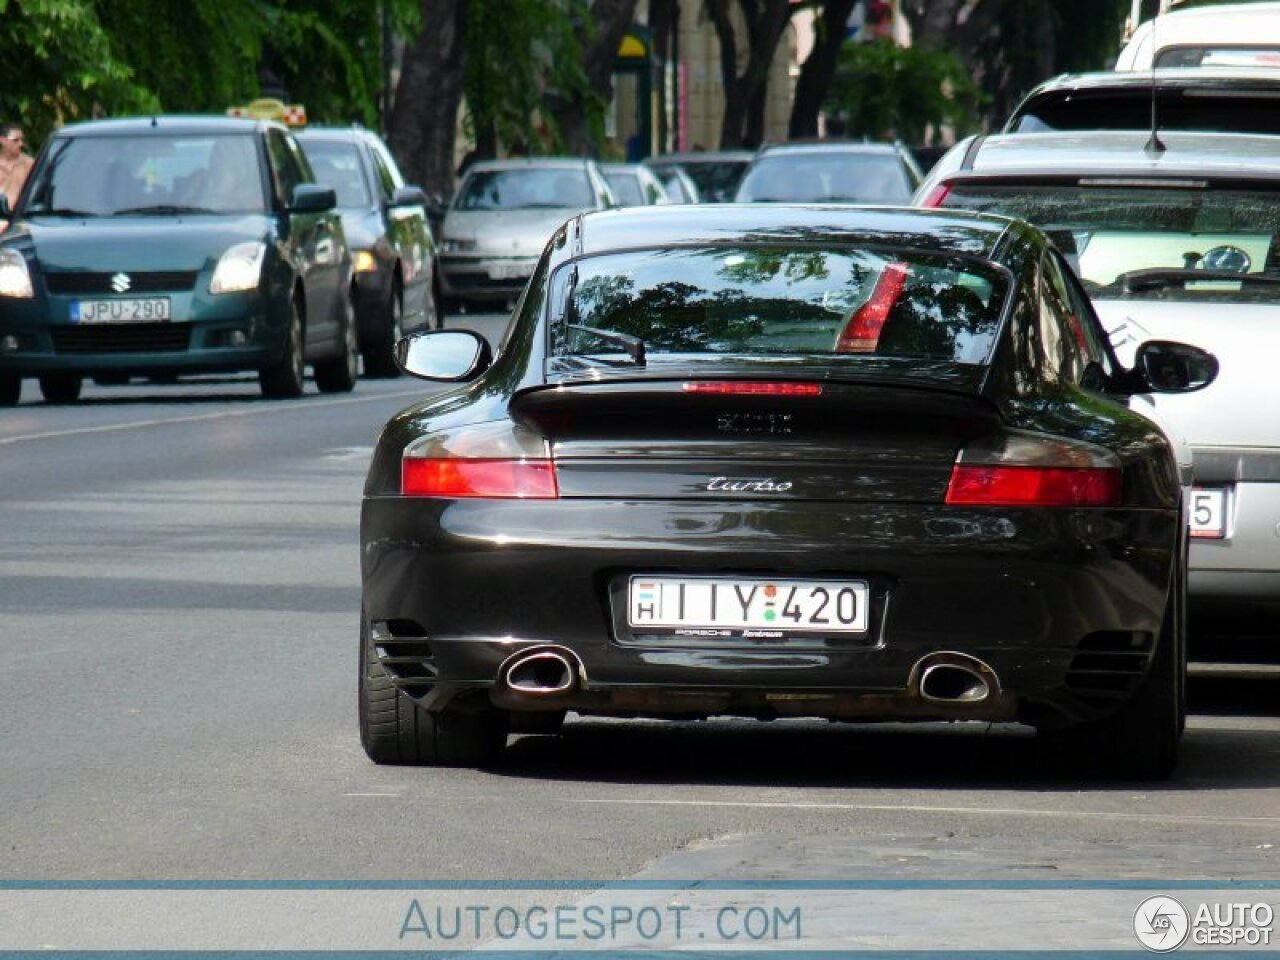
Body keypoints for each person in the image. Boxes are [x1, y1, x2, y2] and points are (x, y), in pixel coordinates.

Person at [0, 122, 34, 208]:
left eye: (21, 140)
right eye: (15, 140)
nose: (20, 144)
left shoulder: (29, 164)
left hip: (21, 215)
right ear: (3, 140)